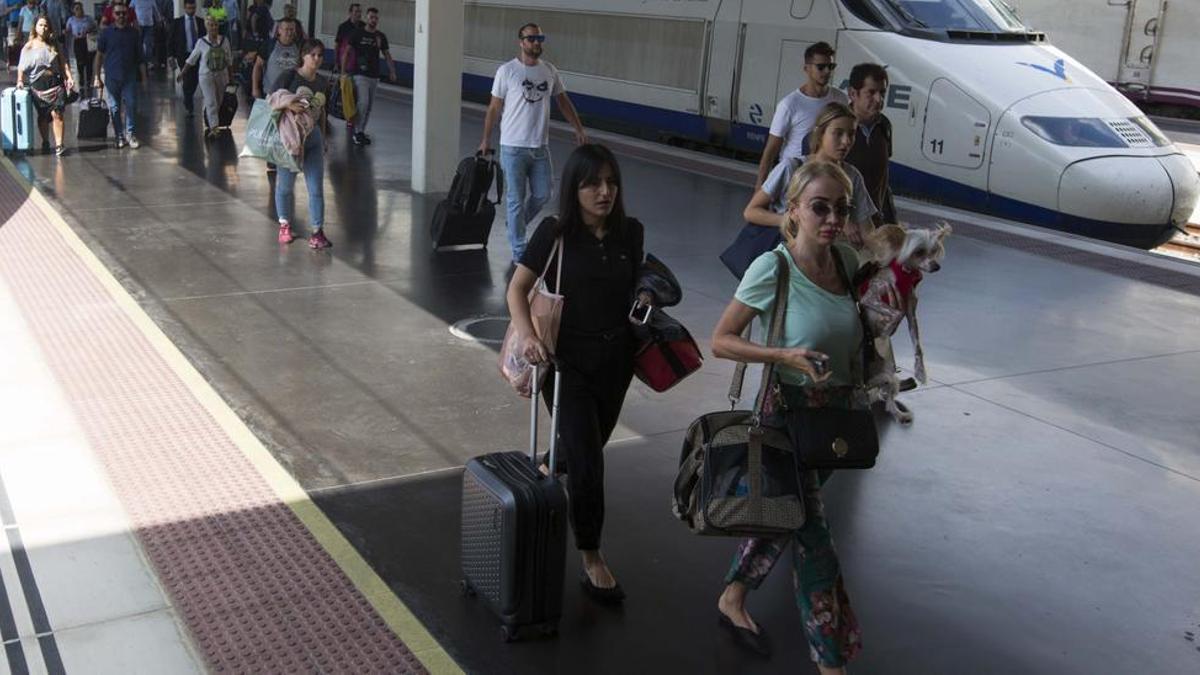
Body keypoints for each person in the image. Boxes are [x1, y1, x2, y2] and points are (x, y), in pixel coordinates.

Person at [712, 159, 865, 671]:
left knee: (785, 518)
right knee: (814, 540)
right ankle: (832, 662)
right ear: (793, 209)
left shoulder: (845, 263)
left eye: (840, 210)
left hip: (834, 417)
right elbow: (721, 340)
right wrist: (782, 356)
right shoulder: (772, 268)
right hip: (787, 415)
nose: (832, 219)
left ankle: (733, 595)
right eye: (819, 207)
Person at [505, 143, 647, 605]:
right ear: (574, 188)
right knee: (589, 461)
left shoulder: (630, 233)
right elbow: (518, 290)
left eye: (611, 182)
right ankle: (592, 556)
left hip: (617, 362)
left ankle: (552, 460)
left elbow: (631, 290)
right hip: (568, 365)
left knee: (588, 444)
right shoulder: (555, 233)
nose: (604, 191)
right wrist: (528, 336)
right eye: (593, 184)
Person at [480, 22, 588, 263]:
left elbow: (563, 102)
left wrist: (578, 128)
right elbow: (494, 107)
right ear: (521, 42)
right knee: (515, 199)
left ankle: (514, 224)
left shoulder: (549, 71)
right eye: (531, 39)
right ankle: (520, 250)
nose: (536, 42)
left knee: (543, 194)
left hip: (540, 147)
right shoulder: (507, 71)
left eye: (540, 38)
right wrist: (485, 139)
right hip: (513, 147)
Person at [744, 102, 876, 248]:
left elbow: (867, 230)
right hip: (791, 249)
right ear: (820, 134)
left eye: (851, 134)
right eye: (838, 133)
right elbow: (751, 211)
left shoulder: (852, 176)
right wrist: (793, 219)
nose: (846, 141)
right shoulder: (791, 168)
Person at [754, 41, 848, 189]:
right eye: (821, 67)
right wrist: (759, 188)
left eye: (831, 66)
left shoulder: (841, 99)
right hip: (794, 180)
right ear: (806, 68)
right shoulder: (789, 105)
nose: (826, 71)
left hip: (826, 178)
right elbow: (771, 150)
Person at [271, 37, 332, 250]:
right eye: (312, 54)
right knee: (285, 185)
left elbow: (323, 112)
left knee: (316, 187)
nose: (316, 59)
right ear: (303, 56)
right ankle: (284, 225)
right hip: (290, 139)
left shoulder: (323, 82)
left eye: (320, 55)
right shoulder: (289, 77)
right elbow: (271, 100)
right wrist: (289, 106)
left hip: (313, 138)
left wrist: (323, 137)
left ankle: (317, 231)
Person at [844, 62, 896, 228]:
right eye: (871, 92)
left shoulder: (884, 126)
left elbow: (883, 179)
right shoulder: (837, 126)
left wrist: (891, 221)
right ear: (853, 93)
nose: (878, 99)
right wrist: (846, 220)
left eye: (882, 92)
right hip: (845, 224)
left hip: (875, 222)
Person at [16, 15, 73, 156]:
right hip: (38, 87)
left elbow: (63, 62)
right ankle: (45, 141)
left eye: (46, 25)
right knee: (43, 116)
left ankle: (59, 145)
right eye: (41, 25)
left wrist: (69, 77)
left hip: (56, 84)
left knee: (57, 113)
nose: (43, 28)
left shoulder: (55, 44)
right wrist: (20, 81)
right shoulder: (28, 47)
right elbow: (21, 68)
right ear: (35, 27)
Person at [94, 0, 145, 148]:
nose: (121, 16)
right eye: (118, 13)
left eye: (123, 13)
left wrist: (144, 77)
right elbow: (98, 55)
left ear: (128, 14)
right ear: (113, 15)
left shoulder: (134, 33)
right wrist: (97, 77)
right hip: (111, 76)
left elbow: (140, 57)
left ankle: (131, 134)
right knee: (114, 108)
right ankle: (119, 136)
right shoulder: (106, 33)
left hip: (130, 75)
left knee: (131, 104)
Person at [342, 6, 395, 146]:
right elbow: (346, 52)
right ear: (366, 18)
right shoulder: (357, 34)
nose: (374, 20)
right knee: (363, 103)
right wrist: (343, 71)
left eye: (376, 18)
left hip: (374, 75)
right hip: (359, 75)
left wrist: (392, 71)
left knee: (369, 106)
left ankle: (360, 131)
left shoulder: (380, 36)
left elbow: (387, 54)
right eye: (371, 17)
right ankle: (357, 131)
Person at [177, 14, 231, 138]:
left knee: (218, 100)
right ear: (207, 27)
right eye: (211, 25)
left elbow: (229, 60)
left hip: (221, 75)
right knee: (211, 101)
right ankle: (214, 127)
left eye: (215, 25)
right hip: (206, 76)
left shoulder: (224, 41)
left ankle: (211, 121)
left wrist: (231, 78)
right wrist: (183, 73)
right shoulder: (201, 42)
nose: (213, 28)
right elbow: (192, 59)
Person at [168, 0, 203, 115]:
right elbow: (171, 40)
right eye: (189, 8)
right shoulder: (178, 23)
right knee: (187, 79)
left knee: (195, 79)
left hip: (197, 55)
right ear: (184, 8)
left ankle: (188, 97)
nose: (191, 11)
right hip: (184, 55)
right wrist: (170, 55)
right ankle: (189, 104)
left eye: (193, 8)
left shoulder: (200, 22)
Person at [251, 15, 296, 100]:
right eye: (286, 29)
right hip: (270, 94)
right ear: (279, 30)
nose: (289, 33)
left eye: (292, 29)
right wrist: (255, 88)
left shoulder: (299, 47)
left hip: (290, 95)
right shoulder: (269, 45)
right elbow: (257, 66)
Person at [66, 2, 96, 97]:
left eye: (80, 8)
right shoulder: (71, 20)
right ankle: (82, 82)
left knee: (89, 63)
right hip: (78, 42)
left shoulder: (88, 18)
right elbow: (67, 31)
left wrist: (88, 31)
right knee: (80, 63)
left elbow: (95, 28)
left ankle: (88, 81)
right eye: (77, 9)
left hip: (88, 41)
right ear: (73, 11)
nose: (79, 10)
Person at [129, 0, 160, 68]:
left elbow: (155, 11)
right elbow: (130, 10)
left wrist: (158, 20)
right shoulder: (134, 0)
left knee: (148, 43)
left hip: (149, 25)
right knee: (138, 43)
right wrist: (130, 22)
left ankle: (148, 61)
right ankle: (138, 60)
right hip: (138, 25)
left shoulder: (151, 1)